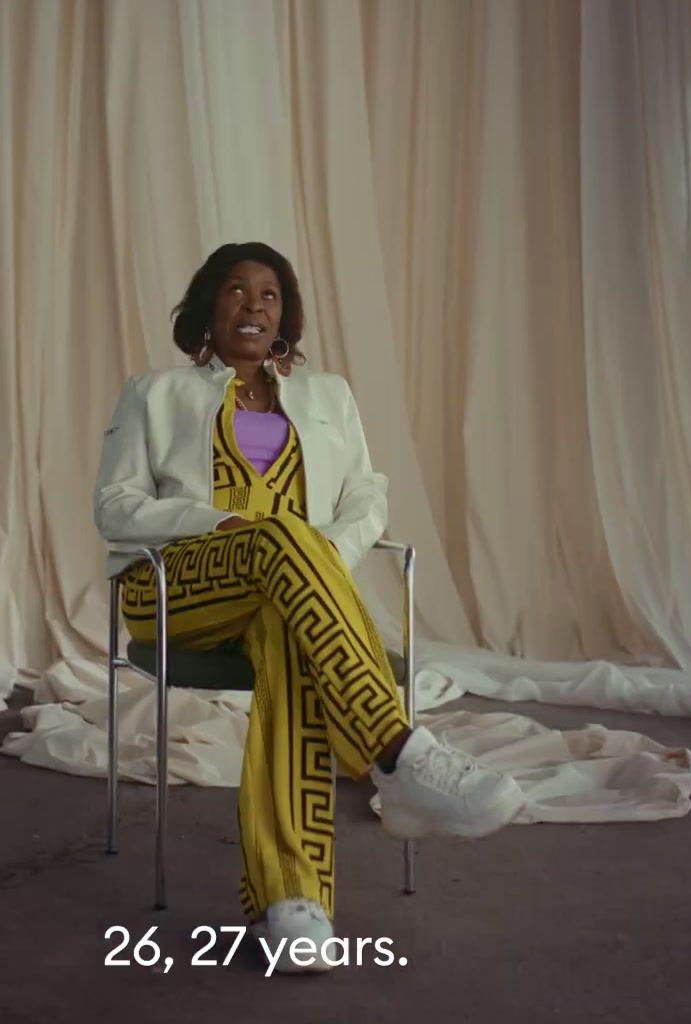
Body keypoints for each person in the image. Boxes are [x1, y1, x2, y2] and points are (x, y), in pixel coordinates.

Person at [94, 242, 520, 974]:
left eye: (268, 294)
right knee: (281, 540)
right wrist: (220, 524)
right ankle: (396, 753)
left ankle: (293, 902)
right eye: (234, 290)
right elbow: (114, 505)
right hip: (179, 585)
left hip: (291, 590)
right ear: (207, 307)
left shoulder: (329, 397)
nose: (253, 305)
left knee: (288, 631)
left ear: (284, 314)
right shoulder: (154, 392)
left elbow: (367, 495)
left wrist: (318, 558)